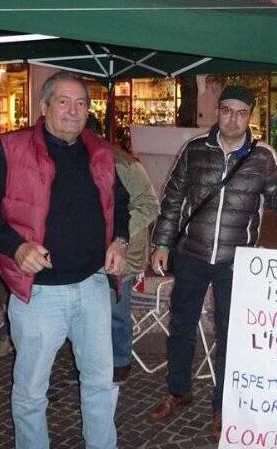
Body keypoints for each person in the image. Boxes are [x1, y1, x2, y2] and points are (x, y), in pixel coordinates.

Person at [0, 71, 130, 449]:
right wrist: (16, 246)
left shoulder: (100, 151)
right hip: (39, 293)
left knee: (101, 383)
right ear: (43, 107)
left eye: (82, 103)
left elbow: (120, 203)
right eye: (64, 101)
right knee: (31, 391)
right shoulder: (12, 149)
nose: (74, 111)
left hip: (92, 286)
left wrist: (119, 241)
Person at [148, 85, 277, 438]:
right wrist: (161, 243)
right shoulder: (194, 150)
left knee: (229, 334)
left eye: (241, 112)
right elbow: (173, 198)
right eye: (227, 110)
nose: (233, 118)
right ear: (217, 112)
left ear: (250, 116)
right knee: (181, 326)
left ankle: (223, 405)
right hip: (191, 253)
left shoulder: (262, 156)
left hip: (236, 261)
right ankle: (178, 391)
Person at [111, 145, 160, 383]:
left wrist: (118, 236)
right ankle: (101, 361)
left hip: (126, 251)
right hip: (102, 252)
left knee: (117, 309)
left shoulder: (124, 165)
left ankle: (120, 361)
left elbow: (150, 205)